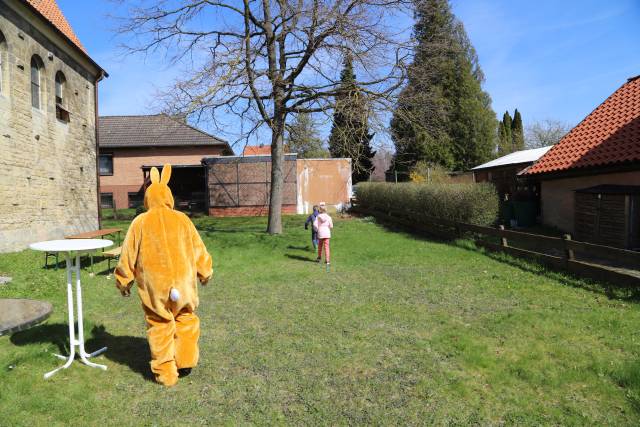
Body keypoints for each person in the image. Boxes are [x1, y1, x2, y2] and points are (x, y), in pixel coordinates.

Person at [114, 164, 212, 387]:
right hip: (183, 284)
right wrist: (205, 271)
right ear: (169, 197)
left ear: (148, 198)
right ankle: (185, 360)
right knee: (186, 318)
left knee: (159, 324)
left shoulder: (139, 222)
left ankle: (166, 373)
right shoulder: (183, 219)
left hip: (155, 287)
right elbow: (198, 248)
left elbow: (128, 254)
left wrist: (123, 279)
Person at [313, 202, 333, 270]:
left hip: (320, 233)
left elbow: (315, 224)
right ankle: (327, 261)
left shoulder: (318, 217)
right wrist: (328, 227)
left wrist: (317, 229)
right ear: (326, 210)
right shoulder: (329, 217)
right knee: (326, 247)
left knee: (320, 246)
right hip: (327, 233)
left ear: (320, 210)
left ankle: (319, 258)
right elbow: (331, 226)